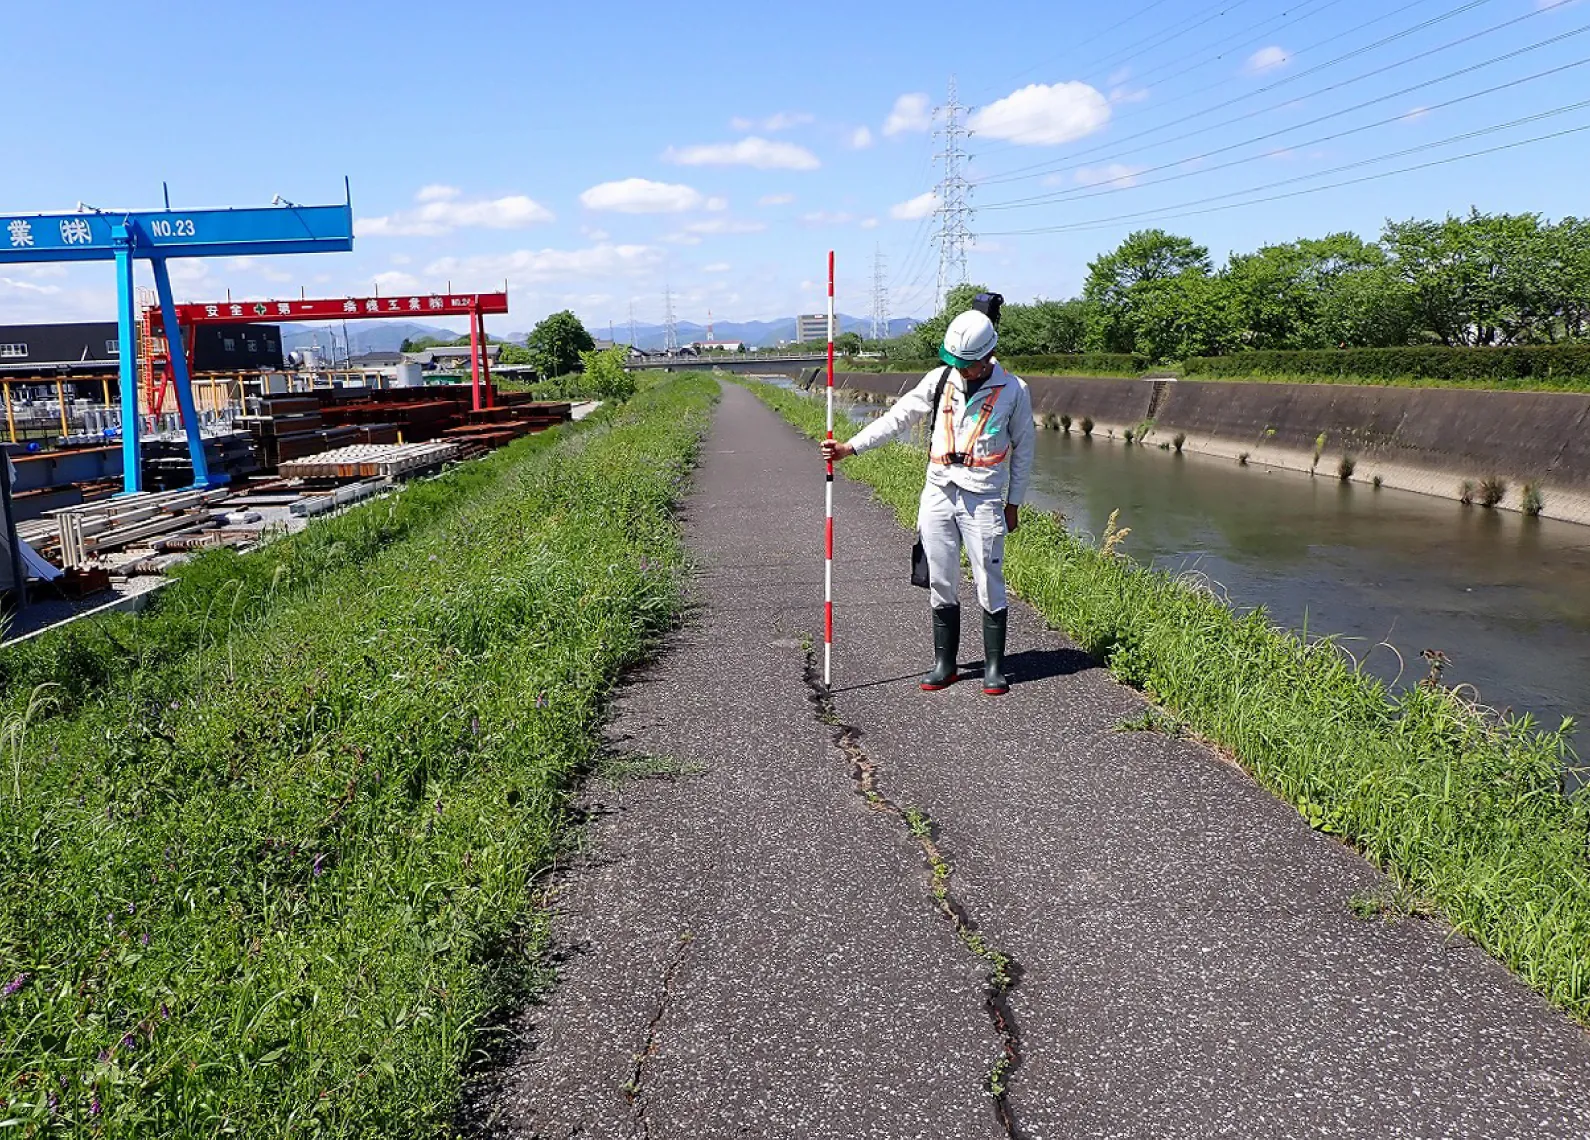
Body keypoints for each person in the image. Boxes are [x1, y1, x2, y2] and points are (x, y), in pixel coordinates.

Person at [820, 309, 1033, 695]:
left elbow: (1024, 450)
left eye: (967, 365)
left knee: (989, 578)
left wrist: (1013, 503)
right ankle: (945, 664)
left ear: (988, 356)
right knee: (941, 577)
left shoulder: (1014, 390)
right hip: (938, 491)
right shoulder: (939, 380)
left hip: (984, 497)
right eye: (955, 362)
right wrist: (850, 448)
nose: (960, 370)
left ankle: (994, 667)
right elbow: (898, 418)